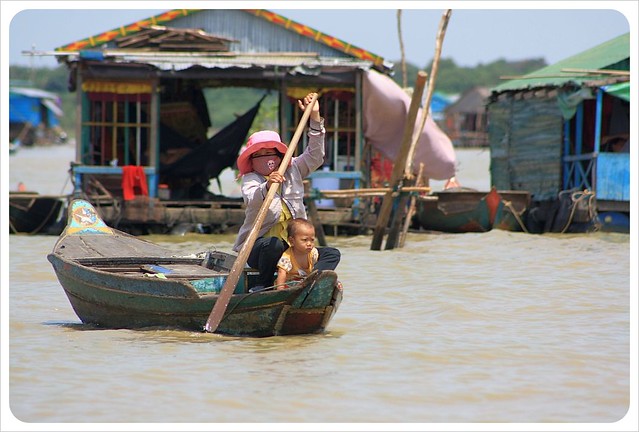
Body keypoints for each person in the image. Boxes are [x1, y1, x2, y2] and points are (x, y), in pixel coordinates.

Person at [233, 92, 340, 289]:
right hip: (261, 250)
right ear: (252, 159)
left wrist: (315, 118)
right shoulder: (251, 179)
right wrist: (267, 185)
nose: (267, 159)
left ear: (279, 155)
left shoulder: (294, 169)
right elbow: (252, 198)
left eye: (270, 154)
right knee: (273, 244)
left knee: (332, 253)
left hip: (293, 248)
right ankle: (265, 285)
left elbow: (316, 155)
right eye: (260, 155)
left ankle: (311, 282)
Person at [274, 218, 319, 288]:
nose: (309, 244)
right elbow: (281, 273)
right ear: (292, 241)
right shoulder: (287, 257)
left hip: (305, 283)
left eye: (312, 240)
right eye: (305, 240)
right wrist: (280, 290)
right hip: (289, 284)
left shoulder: (313, 253)